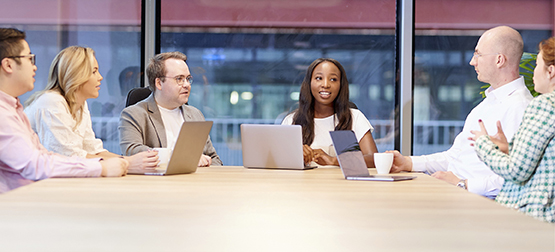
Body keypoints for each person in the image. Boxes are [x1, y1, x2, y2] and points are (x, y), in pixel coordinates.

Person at [387, 26, 533, 198]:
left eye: (478, 54)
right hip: (456, 192)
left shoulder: (521, 107)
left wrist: (462, 184)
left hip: (476, 201)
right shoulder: (486, 104)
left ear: (499, 60)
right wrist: (409, 162)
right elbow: (455, 158)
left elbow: (516, 178)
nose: (472, 61)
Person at [0, 28, 128, 193]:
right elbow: (36, 165)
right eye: (29, 59)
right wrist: (100, 168)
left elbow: (44, 156)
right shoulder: (6, 113)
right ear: (8, 65)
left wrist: (111, 163)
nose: (35, 67)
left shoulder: (13, 108)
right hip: (15, 205)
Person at [24, 46, 158, 172]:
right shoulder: (52, 101)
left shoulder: (80, 104)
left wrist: (129, 162)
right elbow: (68, 158)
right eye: (94, 71)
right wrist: (129, 162)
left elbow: (94, 150)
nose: (100, 77)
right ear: (76, 75)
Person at [470, 37, 555, 222]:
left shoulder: (545, 105)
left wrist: (483, 144)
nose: (532, 72)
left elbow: (516, 171)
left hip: (534, 215)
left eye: (537, 64)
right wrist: (509, 149)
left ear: (551, 71)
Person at [119, 52, 222, 167]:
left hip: (192, 182)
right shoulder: (134, 114)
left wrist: (206, 163)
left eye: (188, 79)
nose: (187, 84)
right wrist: (185, 158)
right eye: (179, 79)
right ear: (159, 83)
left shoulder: (195, 114)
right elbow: (132, 151)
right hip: (155, 183)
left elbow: (215, 159)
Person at [281, 58, 378, 167]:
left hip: (343, 184)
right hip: (303, 183)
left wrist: (333, 160)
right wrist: (296, 153)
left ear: (341, 85)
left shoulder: (354, 117)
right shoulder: (292, 120)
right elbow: (279, 160)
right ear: (309, 83)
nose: (326, 84)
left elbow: (374, 159)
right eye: (319, 78)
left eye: (333, 79)